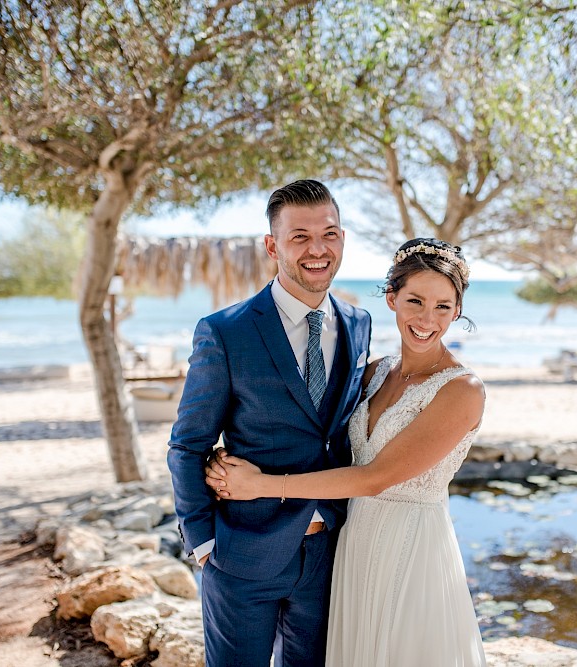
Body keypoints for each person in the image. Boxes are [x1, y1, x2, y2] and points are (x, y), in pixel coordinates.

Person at [208, 238, 487, 666]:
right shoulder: (375, 372)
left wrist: (261, 485)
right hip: (353, 542)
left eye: (444, 307)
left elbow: (374, 476)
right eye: (415, 300)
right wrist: (231, 453)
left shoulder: (462, 390)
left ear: (458, 311)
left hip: (411, 547)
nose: (427, 319)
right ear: (392, 299)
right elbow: (317, 429)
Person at [167, 179, 373, 667]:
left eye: (330, 233)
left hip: (328, 556)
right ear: (271, 245)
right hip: (241, 555)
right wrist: (204, 544)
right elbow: (188, 444)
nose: (318, 249)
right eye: (299, 236)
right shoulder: (225, 331)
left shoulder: (359, 323)